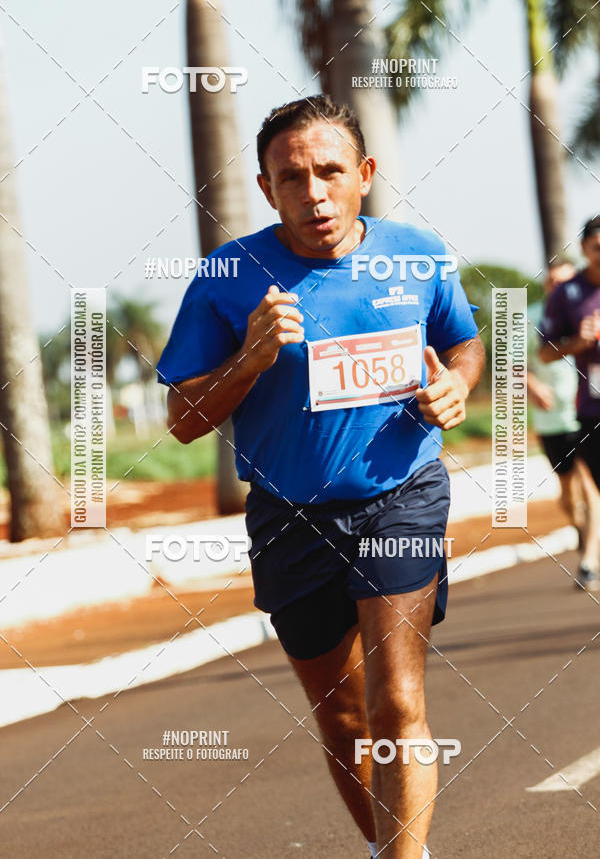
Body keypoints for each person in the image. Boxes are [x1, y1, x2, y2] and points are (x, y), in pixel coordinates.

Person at [157, 94, 485, 858]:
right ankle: (394, 845)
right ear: (268, 188)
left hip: (399, 493)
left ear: (364, 174)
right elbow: (182, 419)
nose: (314, 193)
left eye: (330, 171)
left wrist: (459, 386)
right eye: (293, 177)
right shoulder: (229, 275)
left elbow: (465, 345)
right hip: (289, 514)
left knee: (397, 697)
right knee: (342, 717)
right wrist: (250, 358)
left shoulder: (418, 254)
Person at [539, 217, 600, 591]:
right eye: (597, 247)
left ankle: (591, 560)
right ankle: (590, 557)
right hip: (589, 410)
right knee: (587, 488)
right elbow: (543, 353)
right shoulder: (567, 294)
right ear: (584, 249)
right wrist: (578, 342)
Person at [527, 258, 594, 569]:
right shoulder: (529, 319)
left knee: (590, 483)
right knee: (568, 488)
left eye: (565, 282)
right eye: (554, 282)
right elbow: (513, 364)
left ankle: (589, 558)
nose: (560, 288)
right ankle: (580, 527)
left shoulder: (588, 310)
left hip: (582, 412)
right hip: (550, 419)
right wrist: (533, 386)